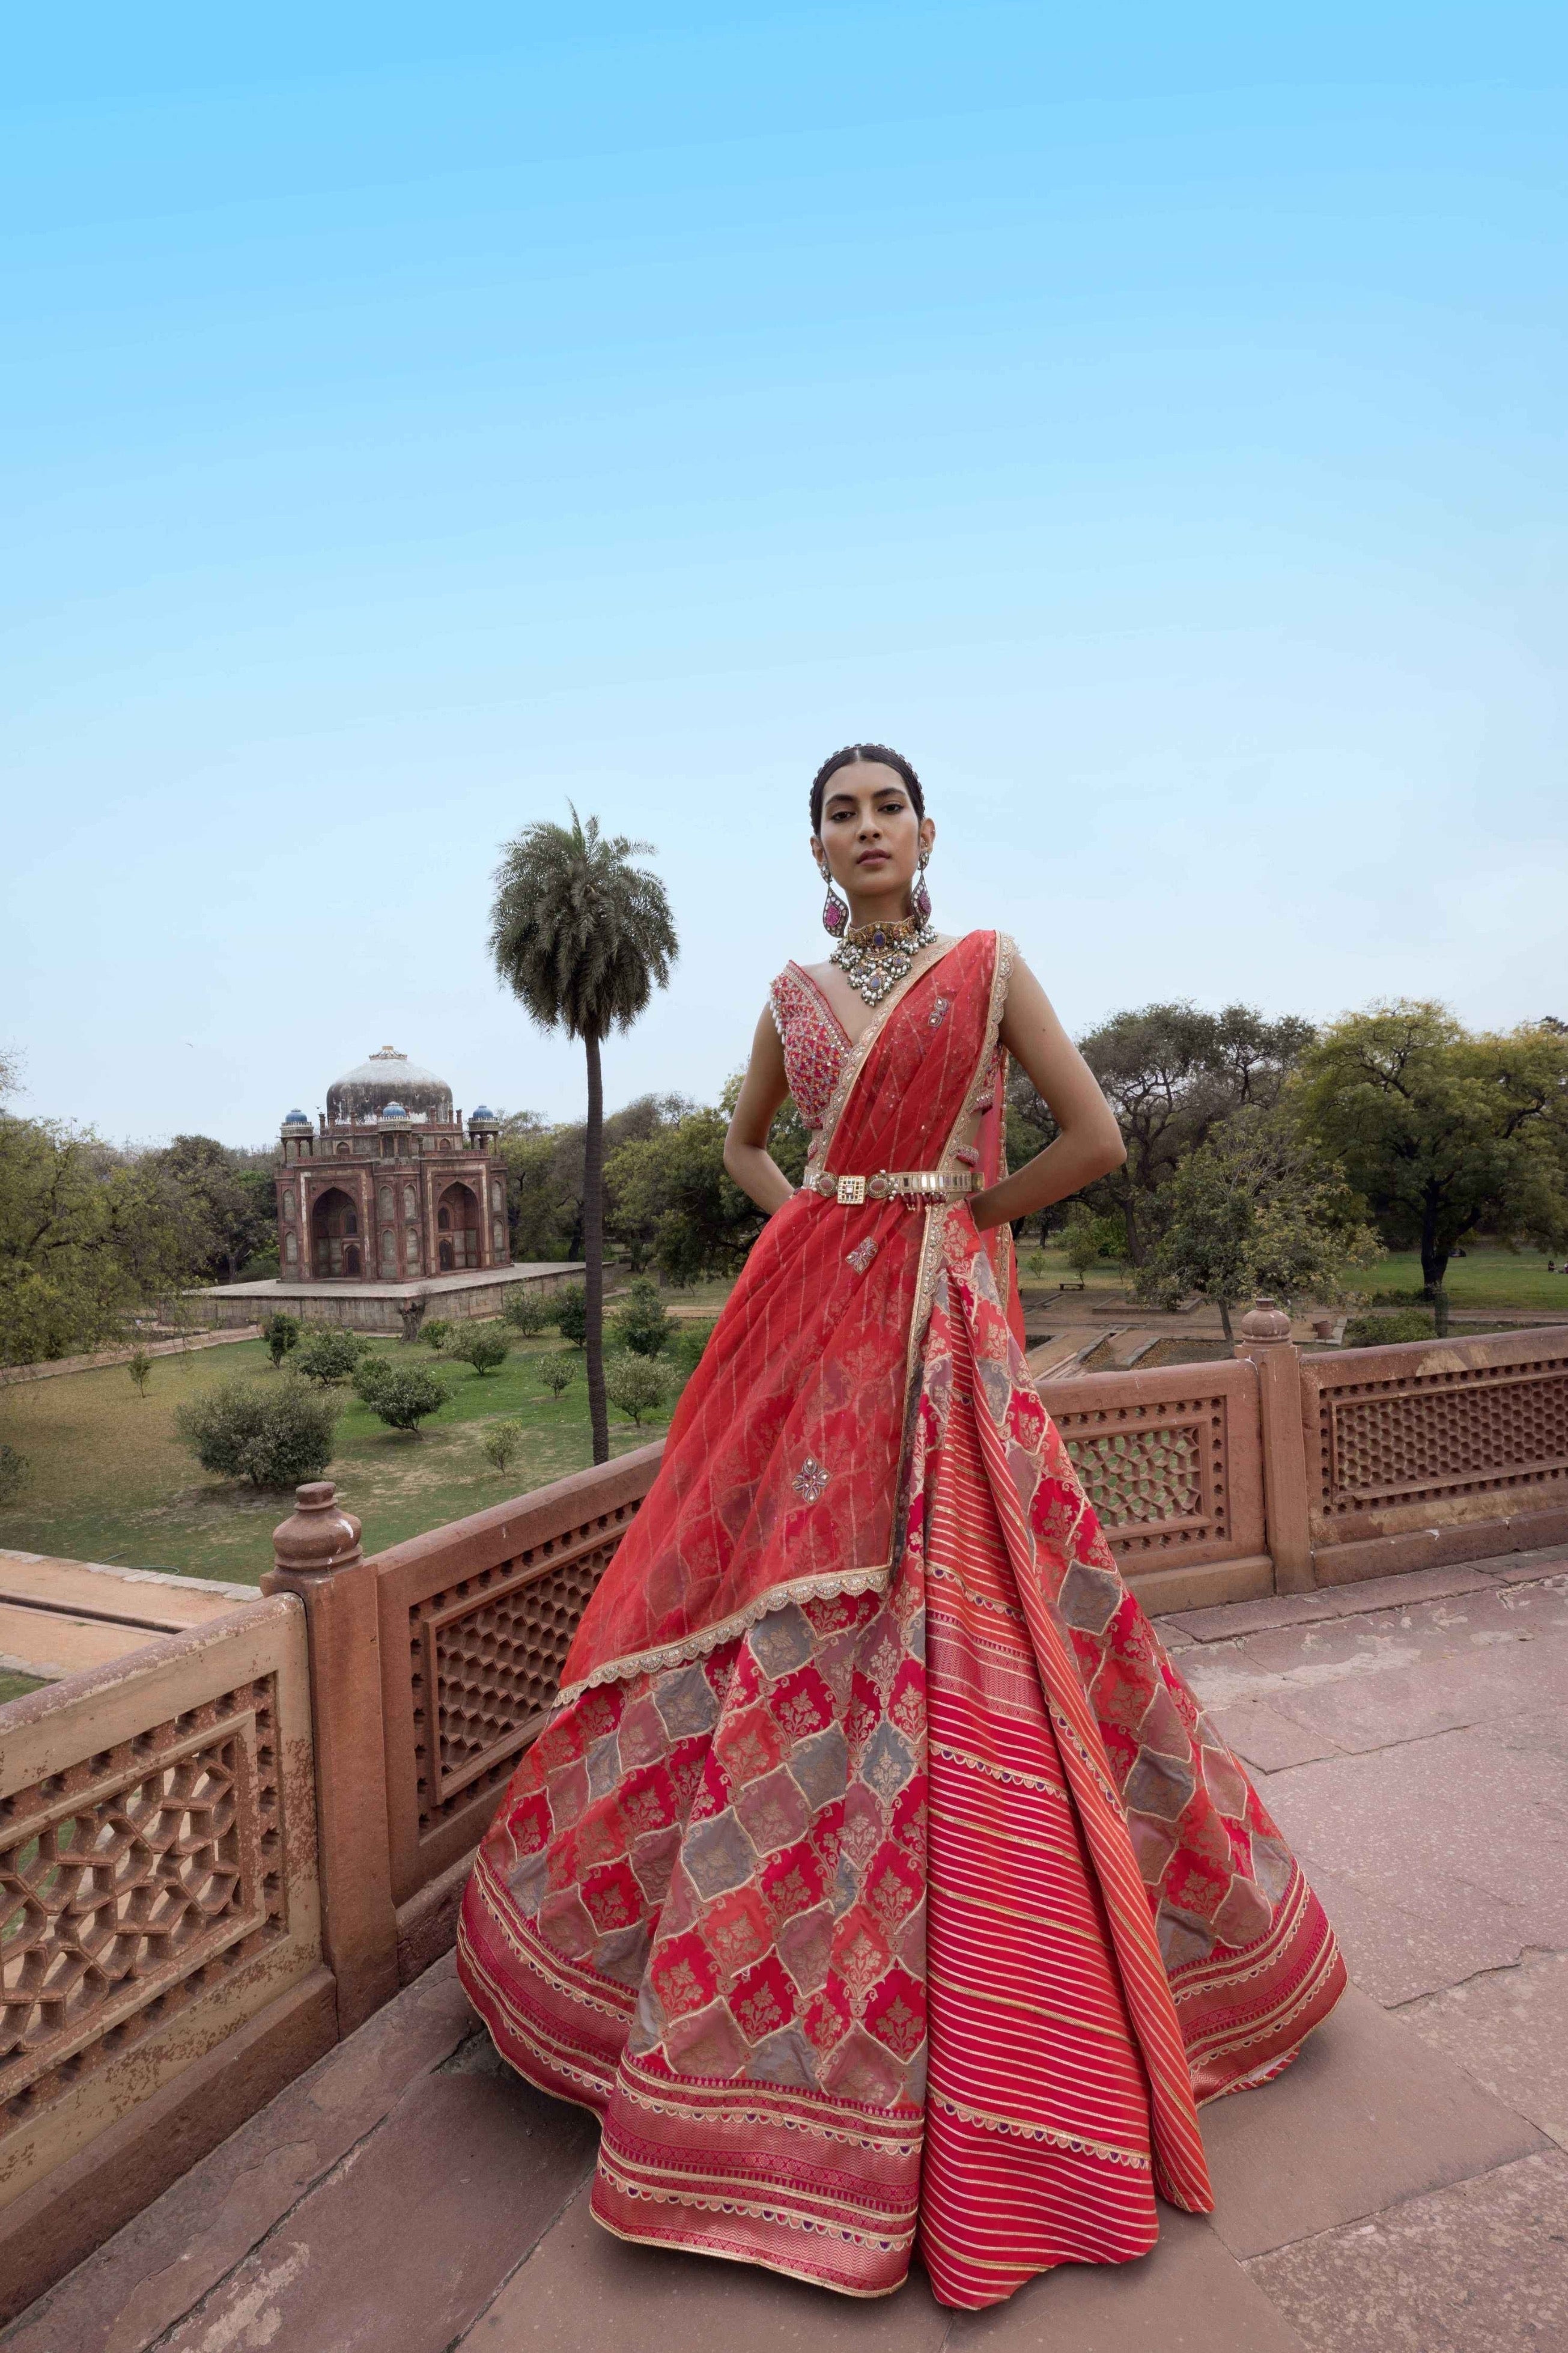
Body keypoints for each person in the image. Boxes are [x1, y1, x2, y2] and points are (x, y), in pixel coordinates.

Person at [457, 744, 1345, 2310]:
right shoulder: (792, 994)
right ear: (815, 841)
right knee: (771, 1597)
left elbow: (1094, 1140)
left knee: (983, 1610)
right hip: (818, 1332)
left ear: (924, 832)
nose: (864, 826)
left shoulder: (987, 967)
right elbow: (748, 1145)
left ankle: (1051, 2003)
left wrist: (958, 1220)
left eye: (887, 804)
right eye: (838, 808)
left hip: (946, 1330)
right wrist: (818, 1221)